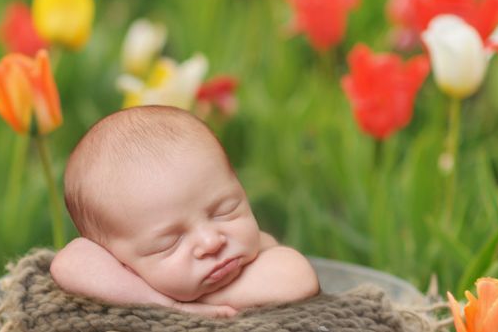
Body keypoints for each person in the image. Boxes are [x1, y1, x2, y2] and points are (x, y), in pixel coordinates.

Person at [50, 106, 319, 318]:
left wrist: (199, 299)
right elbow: (68, 263)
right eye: (170, 242)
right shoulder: (122, 273)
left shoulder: (257, 253)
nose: (212, 242)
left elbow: (297, 279)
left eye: (224, 211)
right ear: (116, 259)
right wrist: (166, 304)